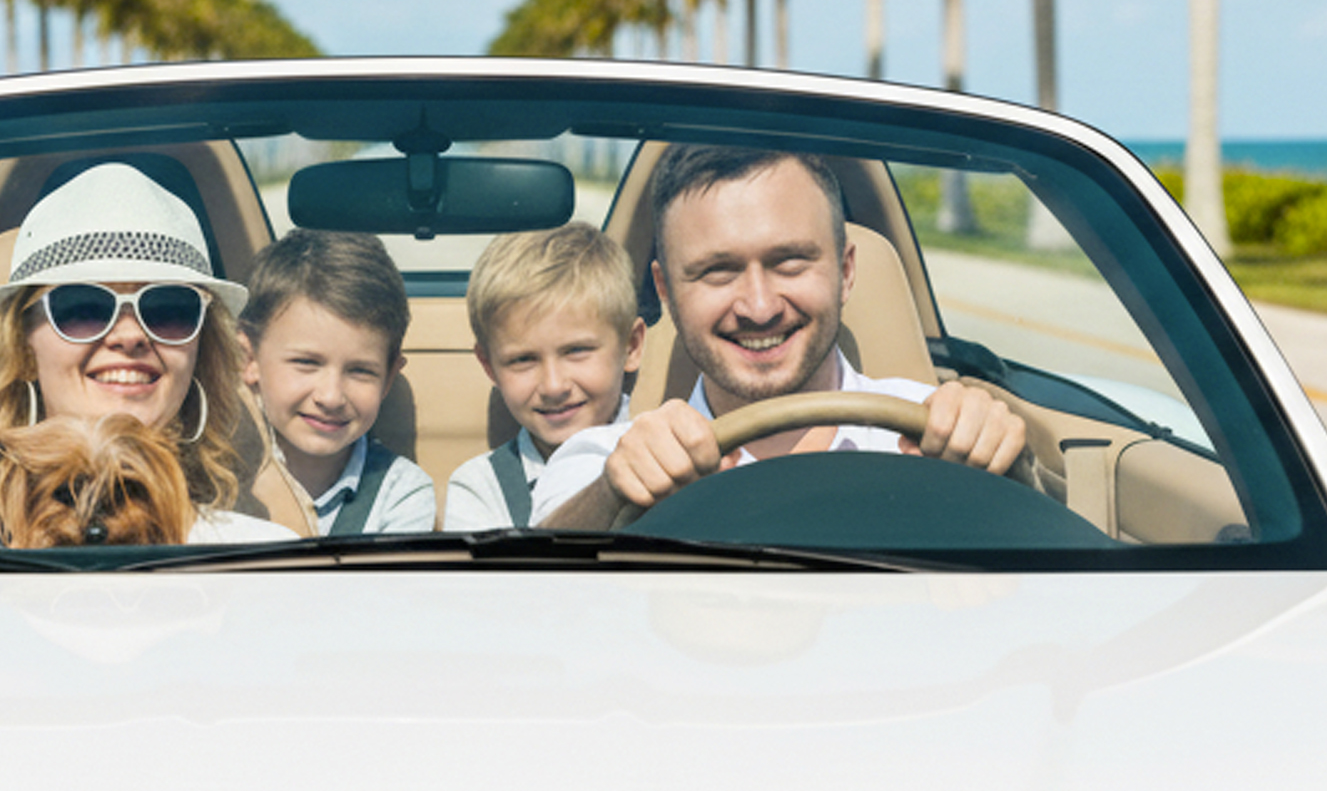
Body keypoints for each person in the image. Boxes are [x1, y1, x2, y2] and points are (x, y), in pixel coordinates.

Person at [533, 145, 1027, 531]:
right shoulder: (609, 458)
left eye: (789, 263)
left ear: (846, 271)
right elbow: (532, 584)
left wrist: (1000, 457)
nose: (760, 306)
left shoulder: (939, 431)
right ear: (665, 291)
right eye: (717, 272)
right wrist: (613, 495)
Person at [0, 161, 290, 548]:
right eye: (82, 309)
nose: (129, 336)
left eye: (168, 310)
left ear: (201, 349)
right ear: (21, 343)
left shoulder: (263, 555)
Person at [443, 223, 647, 531]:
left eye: (577, 351)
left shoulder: (666, 454)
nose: (553, 386)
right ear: (489, 366)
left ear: (631, 346)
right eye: (523, 360)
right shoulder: (482, 488)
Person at [239, 228, 437, 535]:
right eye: (306, 363)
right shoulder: (211, 480)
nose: (331, 397)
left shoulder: (400, 493)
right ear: (248, 359)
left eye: (360, 371)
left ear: (388, 379)